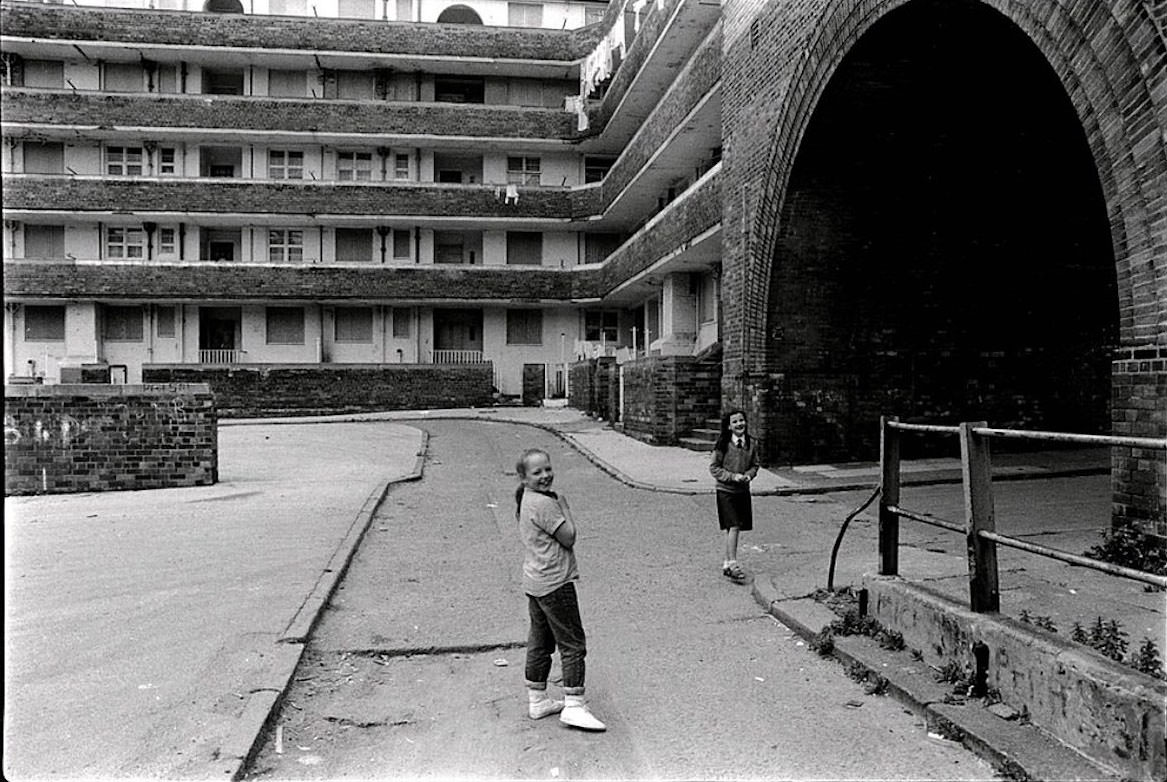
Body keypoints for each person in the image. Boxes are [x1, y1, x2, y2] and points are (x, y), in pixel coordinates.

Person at [514, 448, 607, 732]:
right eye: (537, 472)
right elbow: (569, 537)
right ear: (524, 477)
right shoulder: (546, 504)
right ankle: (575, 704)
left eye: (547, 469)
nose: (545, 476)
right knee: (572, 642)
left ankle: (537, 699)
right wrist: (564, 505)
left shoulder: (526, 499)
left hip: (535, 580)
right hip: (555, 582)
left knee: (541, 641)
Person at [709, 410, 760, 583]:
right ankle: (732, 564)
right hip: (725, 491)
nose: (739, 424)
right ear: (729, 426)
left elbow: (755, 465)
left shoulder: (752, 443)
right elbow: (714, 468)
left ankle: (726, 562)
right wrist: (732, 477)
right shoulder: (722, 444)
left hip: (742, 491)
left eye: (742, 420)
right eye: (735, 422)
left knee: (734, 528)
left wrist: (748, 475)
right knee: (734, 525)